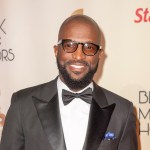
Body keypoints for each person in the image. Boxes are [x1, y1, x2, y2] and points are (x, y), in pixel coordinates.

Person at [0, 15, 138, 150]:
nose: (78, 56)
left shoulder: (122, 112)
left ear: (99, 55)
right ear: (56, 50)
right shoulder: (22, 105)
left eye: (89, 47)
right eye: (69, 45)